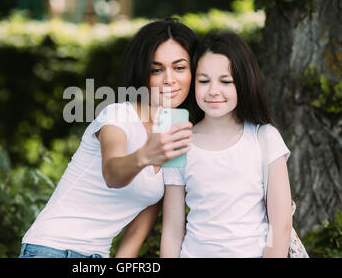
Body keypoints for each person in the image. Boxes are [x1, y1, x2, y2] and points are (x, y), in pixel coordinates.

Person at [19, 18, 198, 258]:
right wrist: (145, 154)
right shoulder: (118, 115)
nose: (169, 79)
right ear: (142, 74)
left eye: (179, 67)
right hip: (51, 248)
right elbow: (112, 173)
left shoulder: (176, 138)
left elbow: (137, 230)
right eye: (157, 69)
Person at [160, 32, 293, 258]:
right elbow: (172, 231)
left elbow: (280, 228)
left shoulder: (266, 138)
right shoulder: (179, 140)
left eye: (226, 81)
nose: (213, 91)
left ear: (243, 82)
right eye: (203, 81)